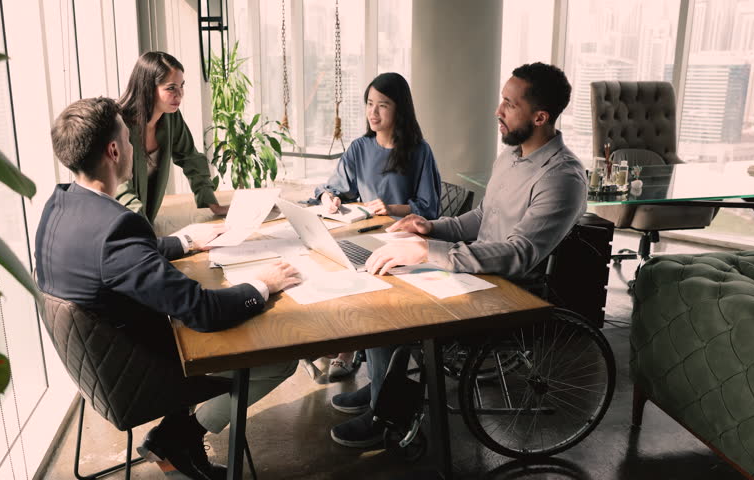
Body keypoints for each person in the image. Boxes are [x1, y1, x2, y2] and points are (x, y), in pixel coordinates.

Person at [36, 97, 301, 479]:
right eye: (127, 140)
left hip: (96, 367)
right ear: (113, 151)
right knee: (279, 357)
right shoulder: (116, 228)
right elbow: (202, 311)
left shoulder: (61, 204)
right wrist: (263, 284)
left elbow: (113, 262)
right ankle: (178, 437)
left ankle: (176, 439)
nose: (133, 147)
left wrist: (185, 242)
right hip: (137, 375)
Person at [329, 62, 587, 448]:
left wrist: (427, 251)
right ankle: (379, 392)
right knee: (373, 281)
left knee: (385, 312)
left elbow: (519, 254)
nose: (498, 111)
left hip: (506, 291)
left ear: (540, 117)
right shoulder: (511, 158)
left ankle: (385, 415)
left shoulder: (562, 177)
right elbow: (483, 218)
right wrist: (430, 228)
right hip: (474, 273)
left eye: (508, 104)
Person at [315, 72, 442, 380]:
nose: (373, 113)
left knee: (366, 286)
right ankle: (346, 346)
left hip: (403, 244)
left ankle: (358, 358)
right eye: (369, 104)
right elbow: (334, 188)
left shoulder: (419, 151)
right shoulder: (359, 148)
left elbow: (430, 208)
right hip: (365, 235)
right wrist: (329, 197)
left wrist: (392, 208)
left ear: (400, 109)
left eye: (382, 105)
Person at [115, 51, 229, 224]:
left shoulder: (170, 117)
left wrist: (213, 204)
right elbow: (120, 186)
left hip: (144, 224)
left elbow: (190, 158)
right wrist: (142, 228)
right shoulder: (117, 124)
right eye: (171, 88)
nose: (180, 94)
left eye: (181, 86)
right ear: (147, 88)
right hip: (119, 226)